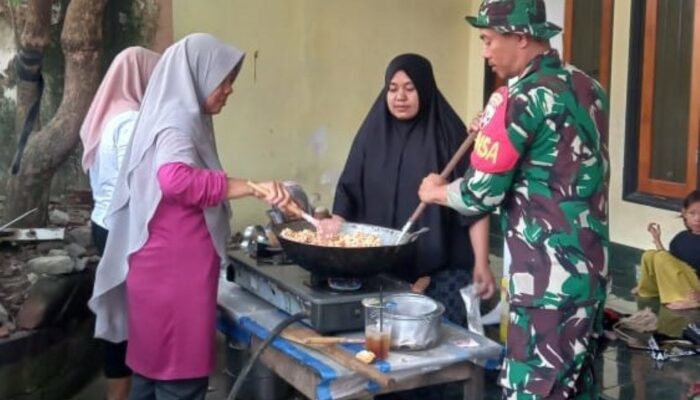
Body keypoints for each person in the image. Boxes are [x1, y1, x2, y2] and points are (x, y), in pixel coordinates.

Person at [418, 1, 610, 398]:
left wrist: (435, 191)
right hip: (590, 271)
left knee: (533, 389)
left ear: (521, 38)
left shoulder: (518, 99)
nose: (485, 51)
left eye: (489, 40)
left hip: (545, 280)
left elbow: (479, 193)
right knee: (577, 388)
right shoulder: (588, 86)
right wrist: (492, 131)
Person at [87, 33, 291, 400]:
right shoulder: (177, 120)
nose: (229, 89)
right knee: (179, 384)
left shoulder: (172, 114)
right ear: (198, 74)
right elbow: (174, 179)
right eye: (224, 80)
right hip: (174, 281)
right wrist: (247, 186)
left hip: (158, 271)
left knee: (150, 379)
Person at [330, 53, 495, 327]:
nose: (400, 97)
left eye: (410, 88)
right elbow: (349, 188)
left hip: (443, 276)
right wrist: (336, 222)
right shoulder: (373, 133)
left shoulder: (450, 135)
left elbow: (476, 202)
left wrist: (481, 261)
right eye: (392, 89)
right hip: (382, 273)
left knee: (444, 356)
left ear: (425, 88)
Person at [80, 46, 160, 400]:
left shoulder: (106, 116)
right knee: (132, 320)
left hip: (103, 223)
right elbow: (142, 183)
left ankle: (120, 394)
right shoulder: (130, 121)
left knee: (120, 317)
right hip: (123, 229)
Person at [634, 190, 700, 310]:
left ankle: (689, 302)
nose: (697, 219)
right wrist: (657, 239)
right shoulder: (681, 237)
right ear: (684, 213)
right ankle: (648, 290)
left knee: (660, 256)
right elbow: (669, 263)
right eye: (692, 213)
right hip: (681, 283)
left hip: (694, 290)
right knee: (649, 255)